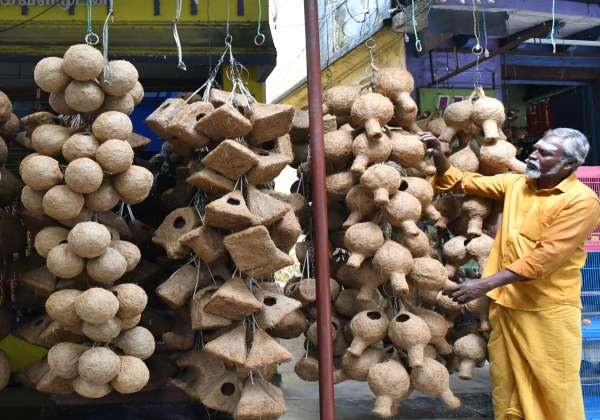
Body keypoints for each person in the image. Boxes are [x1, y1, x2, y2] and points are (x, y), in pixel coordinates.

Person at [420, 128, 600, 420]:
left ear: (568, 164)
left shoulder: (582, 201)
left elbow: (544, 258)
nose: (533, 155)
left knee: (553, 388)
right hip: (505, 306)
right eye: (536, 148)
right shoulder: (516, 184)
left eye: (544, 153)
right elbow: (460, 180)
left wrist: (483, 285)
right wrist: (439, 155)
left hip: (547, 310)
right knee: (506, 385)